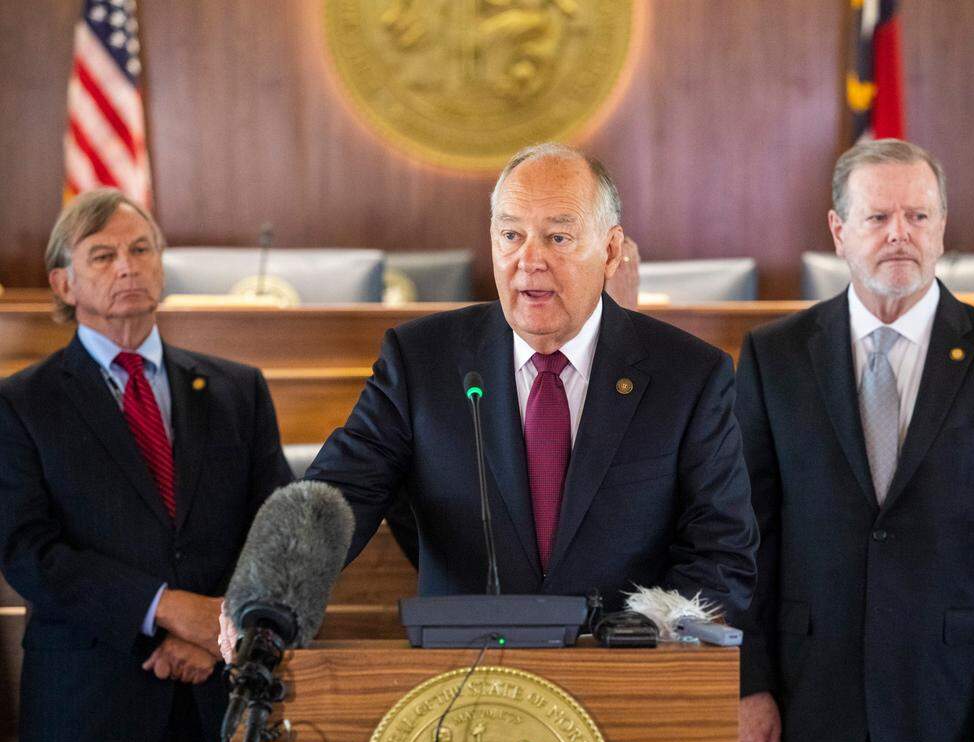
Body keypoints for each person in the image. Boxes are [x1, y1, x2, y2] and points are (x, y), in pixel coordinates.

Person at [304, 142, 757, 617]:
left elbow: (720, 555)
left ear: (610, 251)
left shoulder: (689, 375)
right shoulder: (420, 360)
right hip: (466, 657)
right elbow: (337, 498)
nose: (530, 259)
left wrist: (646, 640)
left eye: (558, 238)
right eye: (511, 235)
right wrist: (272, 590)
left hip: (624, 657)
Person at [735, 139, 974, 742]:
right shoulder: (773, 357)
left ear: (941, 228)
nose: (900, 234)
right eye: (878, 217)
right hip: (809, 698)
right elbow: (748, 537)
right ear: (839, 231)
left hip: (954, 700)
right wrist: (747, 684)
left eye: (918, 216)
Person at [0, 189, 292, 742]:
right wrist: (166, 608)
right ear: (63, 284)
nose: (127, 267)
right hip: (89, 700)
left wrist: (219, 633)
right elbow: (27, 551)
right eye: (102, 256)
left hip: (225, 693)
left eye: (140, 249)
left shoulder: (239, 389)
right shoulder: (21, 404)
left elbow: (278, 531)